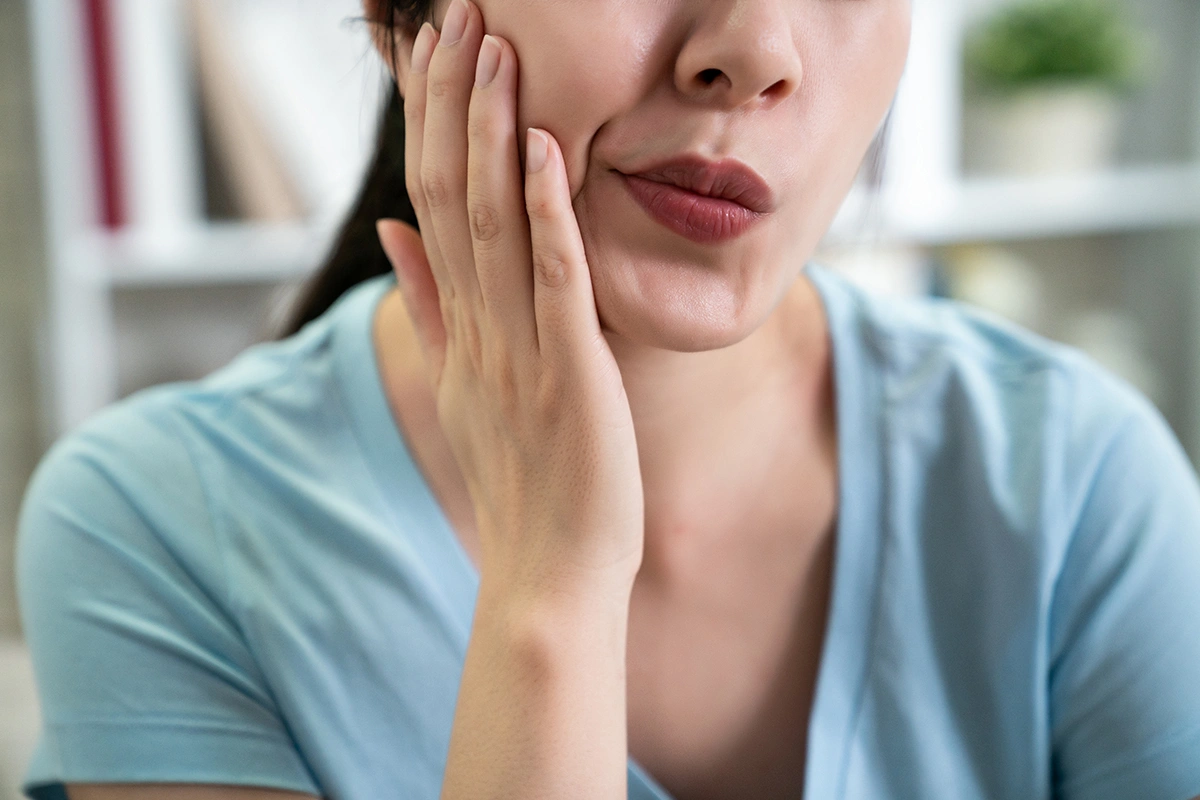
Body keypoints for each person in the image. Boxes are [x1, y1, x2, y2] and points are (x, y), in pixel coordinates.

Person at [15, 0, 1200, 798]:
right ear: (398, 19)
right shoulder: (154, 530)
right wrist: (555, 587)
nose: (755, 46)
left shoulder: (1078, 488)